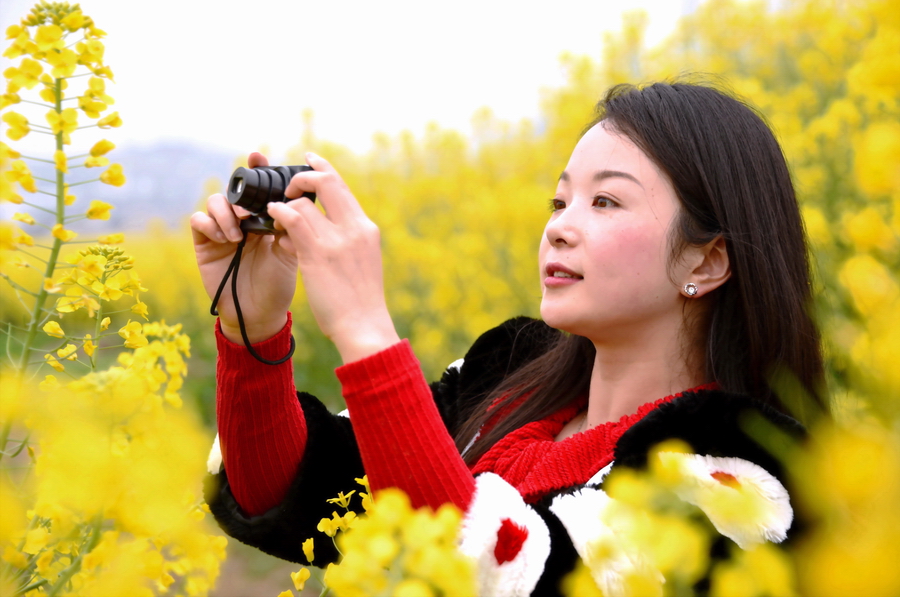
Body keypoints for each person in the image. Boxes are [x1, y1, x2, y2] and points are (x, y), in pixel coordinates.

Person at [192, 82, 824, 596]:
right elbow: (287, 486)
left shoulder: (739, 481)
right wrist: (253, 328)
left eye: (605, 202)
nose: (560, 229)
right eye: (560, 202)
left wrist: (364, 330)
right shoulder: (502, 382)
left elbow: (513, 579)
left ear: (705, 262)